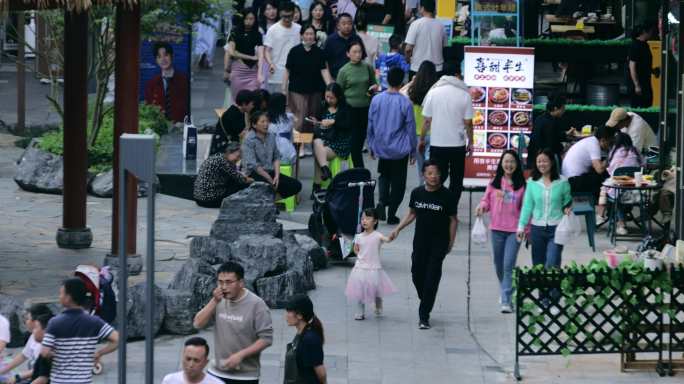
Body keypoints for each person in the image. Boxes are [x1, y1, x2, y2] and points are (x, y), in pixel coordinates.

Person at [389, 160, 458, 329]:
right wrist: (398, 228)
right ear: (423, 175)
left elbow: (453, 220)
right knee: (416, 273)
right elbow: (412, 213)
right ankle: (426, 298)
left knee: (432, 278)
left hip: (439, 243)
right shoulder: (417, 193)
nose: (433, 177)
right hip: (420, 241)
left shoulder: (447, 196)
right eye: (430, 173)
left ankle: (424, 315)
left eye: (436, 173)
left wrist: (451, 242)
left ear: (440, 175)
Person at [193, 262, 273, 384]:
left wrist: (241, 355)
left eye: (229, 282)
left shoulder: (257, 305)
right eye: (220, 282)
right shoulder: (218, 300)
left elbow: (266, 339)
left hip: (245, 376)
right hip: (216, 372)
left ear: (241, 283)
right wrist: (214, 301)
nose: (224, 287)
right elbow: (197, 323)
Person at [475, 150, 526, 313]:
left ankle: (506, 301)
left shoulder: (522, 186)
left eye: (512, 161)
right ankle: (507, 289)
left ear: (517, 165)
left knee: (508, 265)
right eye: (506, 161)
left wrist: (526, 229)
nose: (509, 164)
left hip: (514, 231)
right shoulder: (494, 183)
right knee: (499, 264)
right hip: (496, 229)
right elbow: (486, 200)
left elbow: (526, 209)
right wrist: (481, 206)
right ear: (501, 164)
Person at [41, 278, 119, 384]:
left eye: (61, 294)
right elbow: (117, 339)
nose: (59, 297)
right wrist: (99, 353)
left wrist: (58, 355)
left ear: (68, 298)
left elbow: (44, 353)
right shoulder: (94, 322)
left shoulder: (54, 323)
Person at [420, 61, 473, 210]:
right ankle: (451, 209)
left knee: (436, 177)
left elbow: (426, 121)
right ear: (457, 75)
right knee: (456, 179)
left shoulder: (433, 92)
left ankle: (436, 206)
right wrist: (471, 142)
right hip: (457, 144)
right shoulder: (464, 94)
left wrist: (422, 139)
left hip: (437, 143)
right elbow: (468, 123)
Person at [367, 67, 416, 224]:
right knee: (398, 183)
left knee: (384, 175)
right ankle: (392, 214)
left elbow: (371, 125)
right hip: (400, 150)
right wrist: (413, 150)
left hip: (382, 146)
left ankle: (381, 201)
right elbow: (410, 128)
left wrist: (371, 144)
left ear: (387, 80)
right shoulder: (405, 103)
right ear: (402, 82)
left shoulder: (376, 99)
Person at [517, 148, 573, 269]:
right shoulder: (532, 182)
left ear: (552, 162)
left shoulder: (563, 182)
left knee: (552, 264)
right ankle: (546, 289)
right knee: (538, 266)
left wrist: (567, 208)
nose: (542, 164)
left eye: (545, 161)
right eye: (539, 161)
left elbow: (567, 201)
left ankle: (554, 288)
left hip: (557, 229)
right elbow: (527, 206)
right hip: (537, 229)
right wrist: (521, 227)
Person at [345, 208, 397, 320]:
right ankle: (360, 311)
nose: (364, 221)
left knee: (376, 289)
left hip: (374, 268)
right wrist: (360, 256)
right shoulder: (358, 236)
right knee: (360, 289)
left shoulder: (377, 235)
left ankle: (378, 305)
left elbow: (386, 239)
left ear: (375, 221)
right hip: (360, 267)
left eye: (368, 218)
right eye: (363, 218)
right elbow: (355, 249)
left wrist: (391, 237)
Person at [284, 24, 333, 136]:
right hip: (297, 90)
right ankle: (297, 145)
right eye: (307, 34)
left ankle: (307, 144)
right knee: (300, 118)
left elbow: (324, 70)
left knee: (312, 118)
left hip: (315, 90)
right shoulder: (294, 51)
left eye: (312, 34)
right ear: (301, 36)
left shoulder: (319, 52)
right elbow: (287, 70)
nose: (310, 36)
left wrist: (330, 86)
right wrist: (283, 88)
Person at [241, 111, 303, 198]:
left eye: (267, 121)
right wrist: (269, 179)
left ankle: (270, 201)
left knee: (296, 185)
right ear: (254, 125)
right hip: (253, 173)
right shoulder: (249, 140)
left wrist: (277, 176)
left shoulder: (271, 136)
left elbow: (276, 156)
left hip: (270, 171)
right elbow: (253, 165)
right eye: (262, 122)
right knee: (267, 186)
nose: (266, 124)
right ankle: (266, 200)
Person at [336, 40, 378, 169]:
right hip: (350, 109)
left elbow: (374, 84)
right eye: (354, 52)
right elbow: (338, 92)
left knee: (360, 140)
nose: (358, 54)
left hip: (365, 108)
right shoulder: (344, 70)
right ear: (348, 54)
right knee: (354, 143)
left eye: (359, 51)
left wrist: (372, 90)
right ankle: (359, 170)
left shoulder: (367, 67)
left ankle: (357, 170)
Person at [597, 132, 644, 235]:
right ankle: (621, 224)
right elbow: (643, 165)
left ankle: (604, 216)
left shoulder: (614, 151)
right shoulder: (635, 151)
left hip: (618, 189)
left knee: (608, 190)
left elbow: (610, 170)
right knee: (617, 193)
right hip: (636, 190)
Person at [401, 60, 438, 183]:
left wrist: (412, 81)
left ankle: (422, 189)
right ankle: (432, 190)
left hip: (416, 134)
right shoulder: (436, 90)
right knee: (432, 167)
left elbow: (400, 93)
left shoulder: (412, 90)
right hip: (434, 134)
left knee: (421, 167)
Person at [311, 83, 352, 191]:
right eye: (327, 96)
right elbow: (319, 123)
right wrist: (317, 123)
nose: (328, 100)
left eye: (332, 98)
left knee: (318, 154)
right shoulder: (323, 106)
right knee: (317, 143)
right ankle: (325, 169)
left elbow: (348, 125)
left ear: (338, 97)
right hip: (324, 139)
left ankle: (317, 185)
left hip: (339, 143)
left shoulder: (345, 108)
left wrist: (333, 122)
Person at [0, 304, 53, 383]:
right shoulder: (34, 336)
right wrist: (3, 371)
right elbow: (23, 355)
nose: (25, 322)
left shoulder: (46, 346)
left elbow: (42, 375)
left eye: (28, 319)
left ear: (36, 322)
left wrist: (17, 377)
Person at [562, 125, 616, 201]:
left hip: (572, 179)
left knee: (605, 177)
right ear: (603, 140)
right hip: (573, 181)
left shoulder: (591, 140)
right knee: (605, 179)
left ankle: (605, 203)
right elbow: (599, 169)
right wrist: (611, 156)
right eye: (610, 142)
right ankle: (607, 203)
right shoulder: (594, 144)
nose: (610, 145)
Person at [194, 143, 254, 208]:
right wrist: (252, 180)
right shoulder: (223, 162)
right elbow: (241, 179)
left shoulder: (218, 157)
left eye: (240, 157)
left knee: (233, 180)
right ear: (229, 152)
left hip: (199, 198)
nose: (238, 159)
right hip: (208, 200)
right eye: (238, 156)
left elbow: (235, 173)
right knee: (240, 184)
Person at [283, 295, 327, 384]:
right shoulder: (301, 334)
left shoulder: (310, 339)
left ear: (299, 315)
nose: (286, 316)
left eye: (289, 312)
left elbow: (321, 372)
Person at [143, 42, 190, 123]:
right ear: (156, 60)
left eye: (166, 55)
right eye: (159, 57)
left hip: (180, 125)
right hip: (160, 126)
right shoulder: (151, 84)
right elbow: (149, 109)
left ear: (172, 56)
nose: (163, 59)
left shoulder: (184, 80)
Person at [261, 1, 301, 93]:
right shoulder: (273, 30)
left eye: (289, 16)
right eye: (284, 16)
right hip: (276, 73)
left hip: (294, 73)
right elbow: (266, 50)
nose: (287, 19)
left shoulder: (298, 29)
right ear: (279, 14)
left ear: (294, 13)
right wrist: (270, 63)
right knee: (277, 102)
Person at [527, 94, 575, 169]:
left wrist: (566, 133)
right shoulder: (550, 123)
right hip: (541, 160)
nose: (564, 111)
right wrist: (566, 147)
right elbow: (552, 145)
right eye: (562, 109)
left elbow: (553, 135)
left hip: (533, 157)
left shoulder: (540, 118)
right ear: (555, 108)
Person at [224, 8, 263, 103]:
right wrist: (251, 57)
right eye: (247, 18)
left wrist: (260, 73)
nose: (249, 21)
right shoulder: (234, 32)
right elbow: (232, 52)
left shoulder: (257, 34)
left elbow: (260, 55)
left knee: (252, 101)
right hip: (238, 70)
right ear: (242, 19)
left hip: (252, 70)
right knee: (237, 101)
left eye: (252, 19)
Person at [404, 0, 446, 78]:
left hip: (417, 67)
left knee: (416, 90)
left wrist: (407, 59)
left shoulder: (415, 24)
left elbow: (408, 49)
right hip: (436, 69)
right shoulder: (441, 26)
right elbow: (444, 47)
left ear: (422, 8)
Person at [211, 90, 256, 155]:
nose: (253, 106)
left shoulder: (236, 111)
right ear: (244, 104)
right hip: (223, 150)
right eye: (252, 104)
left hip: (223, 146)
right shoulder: (235, 114)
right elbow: (243, 135)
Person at [323, 13, 364, 78]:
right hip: (336, 78)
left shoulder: (357, 38)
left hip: (355, 77)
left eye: (349, 23)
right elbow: (325, 62)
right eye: (344, 24)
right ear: (338, 26)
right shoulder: (330, 40)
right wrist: (330, 80)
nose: (347, 26)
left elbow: (363, 58)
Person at [628, 24, 657, 108]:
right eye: (651, 31)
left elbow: (643, 63)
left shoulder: (645, 45)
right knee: (639, 106)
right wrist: (637, 85)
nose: (652, 33)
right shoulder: (635, 46)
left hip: (646, 80)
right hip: (638, 81)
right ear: (644, 32)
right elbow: (632, 67)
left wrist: (652, 70)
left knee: (647, 102)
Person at [267, 93, 298, 165]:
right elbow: (292, 135)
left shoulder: (265, 119)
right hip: (288, 154)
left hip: (270, 157)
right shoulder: (290, 117)